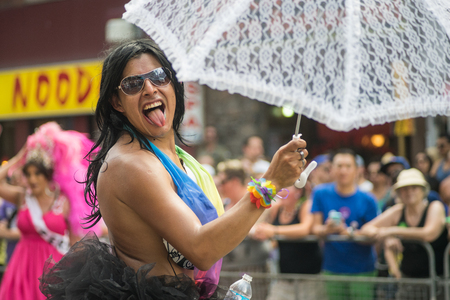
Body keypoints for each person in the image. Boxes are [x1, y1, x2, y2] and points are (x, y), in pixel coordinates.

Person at [39, 39, 308, 299]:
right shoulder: (131, 164)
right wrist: (269, 182)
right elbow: (200, 249)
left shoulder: (175, 157)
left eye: (158, 76)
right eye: (133, 84)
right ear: (116, 102)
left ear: (172, 84)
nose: (150, 89)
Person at [0, 122, 99, 300]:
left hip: (55, 268)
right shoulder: (22, 198)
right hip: (22, 268)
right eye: (28, 174)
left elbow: (76, 242)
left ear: (48, 175)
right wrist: (20, 157)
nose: (32, 179)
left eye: (37, 174)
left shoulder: (64, 201)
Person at [360, 168, 448, 300]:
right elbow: (366, 228)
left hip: (438, 281)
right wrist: (386, 236)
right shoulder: (398, 210)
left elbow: (428, 233)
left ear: (423, 190)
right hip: (408, 281)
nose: (409, 192)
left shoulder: (434, 206)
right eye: (405, 188)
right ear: (399, 192)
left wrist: (392, 231)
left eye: (414, 187)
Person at [311, 148, 378, 300]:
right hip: (332, 268)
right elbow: (315, 228)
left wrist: (348, 232)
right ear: (332, 169)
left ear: (357, 170)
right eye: (339, 166)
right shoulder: (320, 193)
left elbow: (374, 236)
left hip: (362, 270)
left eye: (348, 166)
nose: (343, 171)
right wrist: (327, 229)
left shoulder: (368, 200)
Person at [253, 185, 324, 300]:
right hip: (284, 277)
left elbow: (304, 229)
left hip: (308, 278)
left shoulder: (306, 205)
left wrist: (274, 231)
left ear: (298, 191)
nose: (280, 192)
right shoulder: (277, 208)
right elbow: (266, 229)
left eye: (285, 189)